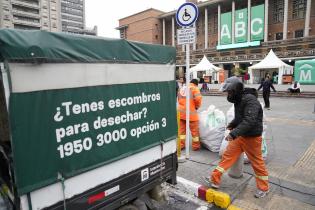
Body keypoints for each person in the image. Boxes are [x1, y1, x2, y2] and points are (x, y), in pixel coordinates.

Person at [210, 76, 269, 198]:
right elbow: (239, 118)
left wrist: (233, 134)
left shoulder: (250, 100)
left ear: (236, 90)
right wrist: (232, 126)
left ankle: (264, 188)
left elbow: (249, 120)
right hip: (241, 137)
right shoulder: (239, 100)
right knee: (227, 156)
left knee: (257, 163)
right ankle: (214, 179)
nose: (228, 94)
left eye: (230, 92)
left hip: (252, 138)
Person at [177, 79, 202, 151]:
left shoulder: (182, 88)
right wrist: (197, 106)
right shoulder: (195, 88)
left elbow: (179, 99)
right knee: (194, 131)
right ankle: (196, 146)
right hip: (191, 113)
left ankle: (181, 145)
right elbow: (198, 99)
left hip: (181, 112)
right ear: (196, 84)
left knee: (181, 131)